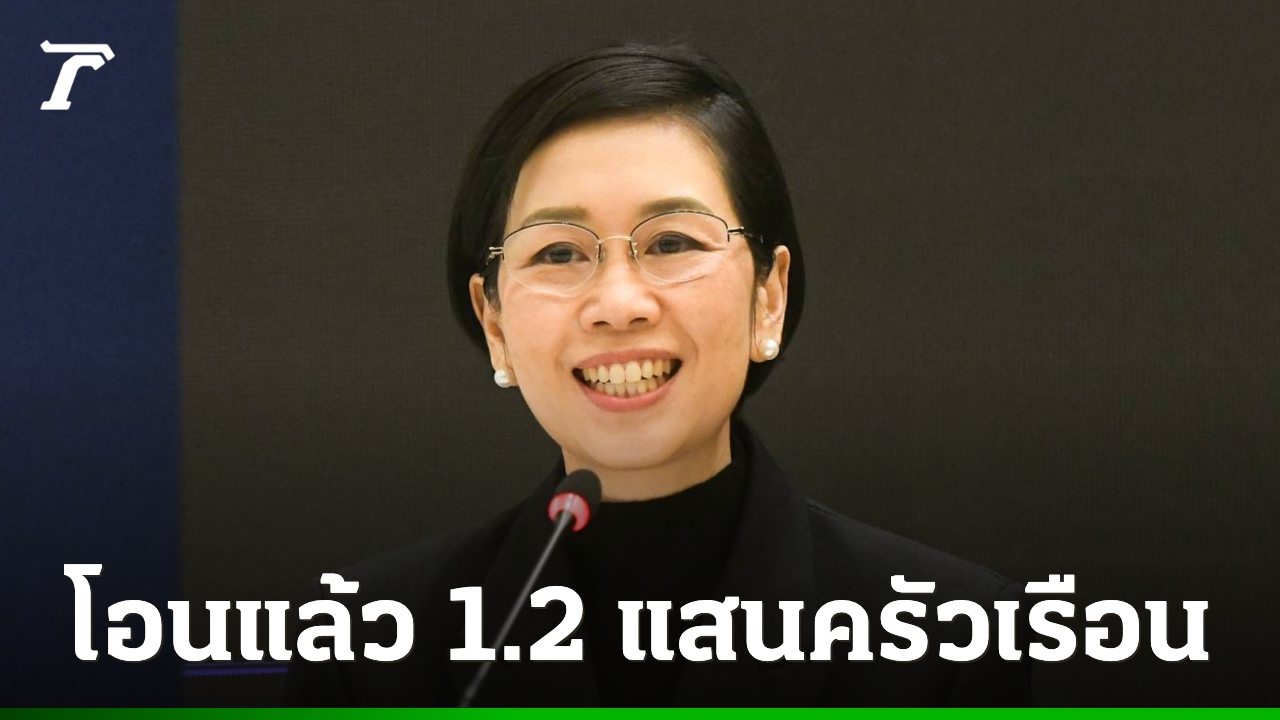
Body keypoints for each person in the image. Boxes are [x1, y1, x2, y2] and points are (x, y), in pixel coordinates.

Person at [285, 43, 1030, 707]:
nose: (619, 305)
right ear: (496, 324)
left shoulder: (948, 640)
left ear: (768, 298)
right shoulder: (363, 644)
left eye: (672, 242)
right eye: (558, 253)